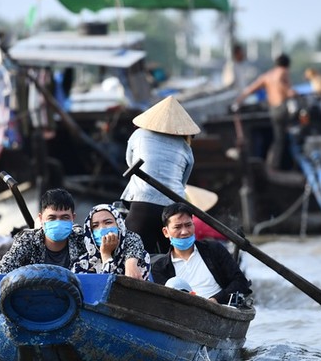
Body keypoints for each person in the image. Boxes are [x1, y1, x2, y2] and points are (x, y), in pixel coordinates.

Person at [120, 96, 200, 254]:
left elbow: (131, 164)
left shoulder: (138, 135)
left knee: (133, 255)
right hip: (173, 206)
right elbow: (182, 183)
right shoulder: (185, 147)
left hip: (141, 204)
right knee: (172, 259)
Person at [151, 202, 252, 304]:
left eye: (188, 225)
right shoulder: (160, 267)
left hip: (219, 309)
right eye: (177, 227)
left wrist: (215, 300)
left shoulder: (214, 250)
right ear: (166, 232)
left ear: (194, 226)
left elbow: (240, 281)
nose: (184, 232)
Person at [0, 188, 85, 273]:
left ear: (73, 218)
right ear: (41, 219)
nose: (58, 223)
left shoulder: (81, 240)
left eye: (64, 217)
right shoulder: (28, 241)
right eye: (52, 218)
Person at [231, 53, 297, 168]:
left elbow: (250, 90)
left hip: (273, 110)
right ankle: (280, 166)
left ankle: (271, 164)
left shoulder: (267, 76)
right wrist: (293, 93)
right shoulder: (283, 72)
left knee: (278, 139)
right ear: (287, 64)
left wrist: (238, 101)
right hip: (283, 108)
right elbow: (288, 90)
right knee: (288, 137)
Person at [71, 203, 151, 280]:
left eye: (108, 222)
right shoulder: (81, 263)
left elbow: (123, 290)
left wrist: (106, 255)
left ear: (119, 226)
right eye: (95, 226)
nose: (102, 229)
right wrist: (105, 254)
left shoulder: (138, 257)